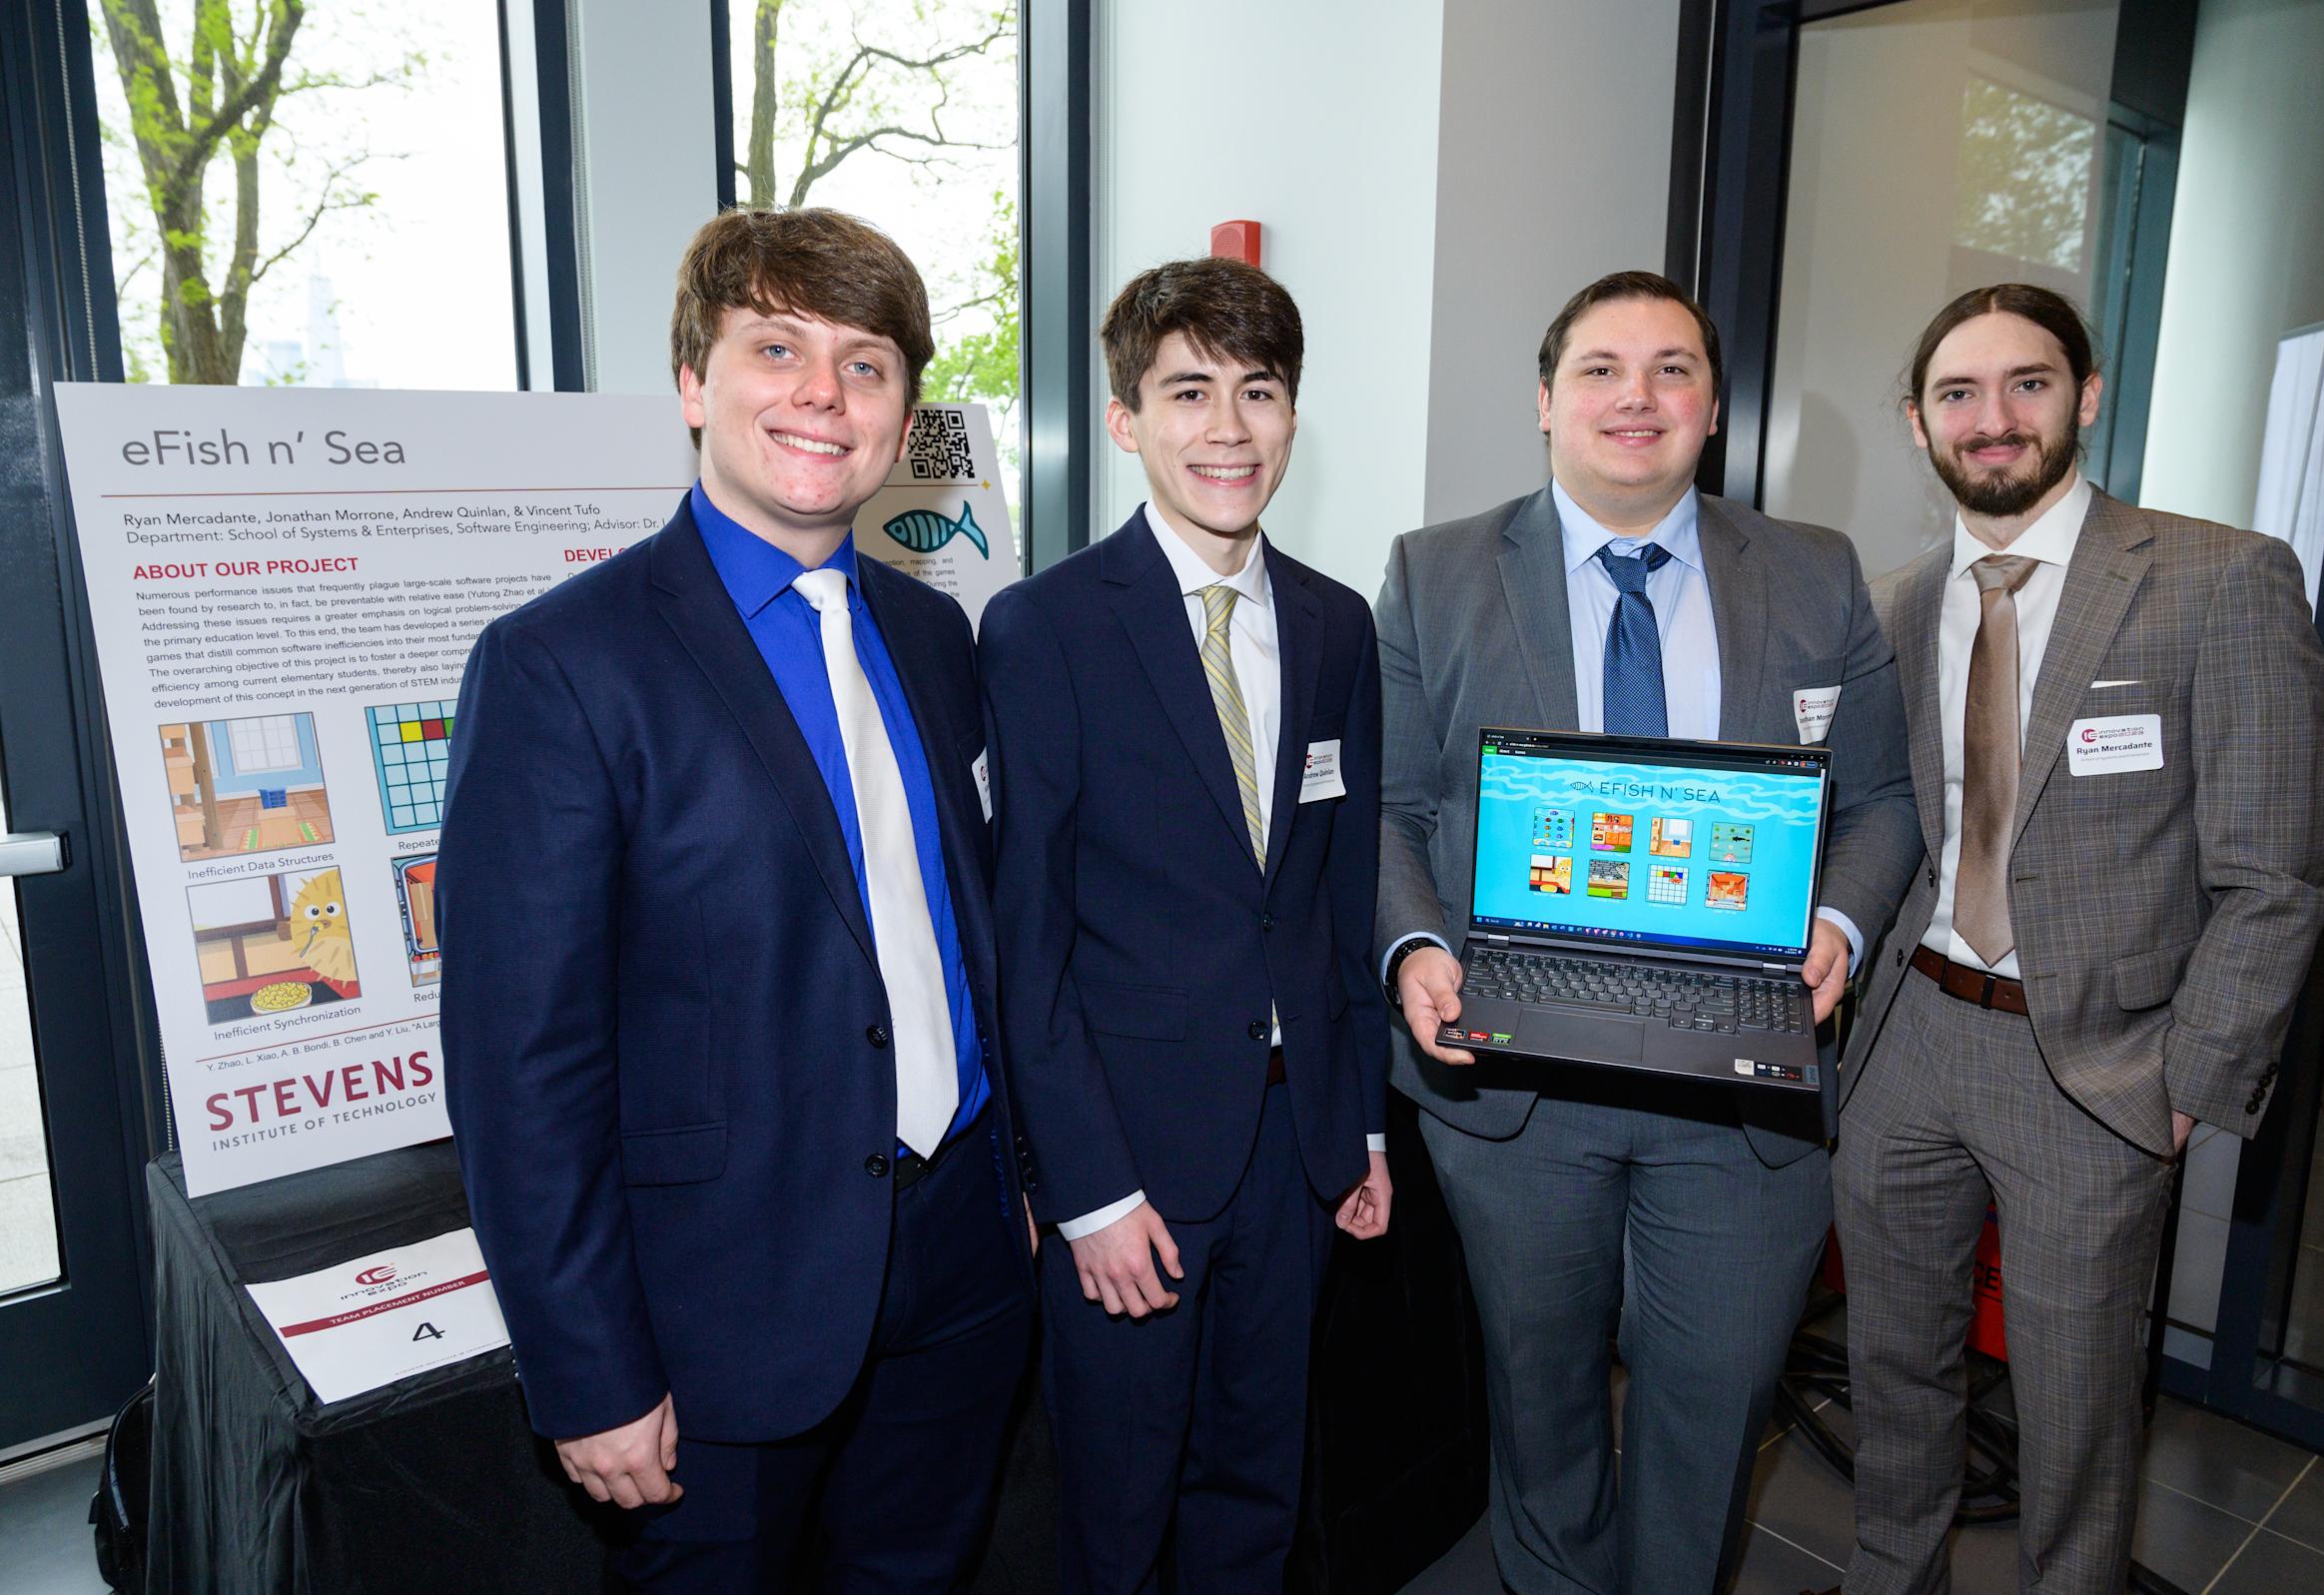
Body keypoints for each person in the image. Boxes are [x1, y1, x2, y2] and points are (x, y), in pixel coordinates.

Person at [438, 208, 1034, 1592]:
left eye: (868, 362)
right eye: (778, 347)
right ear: (696, 383)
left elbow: (961, 928)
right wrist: (586, 1365)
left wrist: (1015, 1182)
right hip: (718, 1317)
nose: (825, 393)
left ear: (902, 412)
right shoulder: (561, 668)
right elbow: (523, 1066)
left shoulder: (938, 637)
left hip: (958, 1274)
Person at [1377, 270, 1918, 1594]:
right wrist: (1413, 946)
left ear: (1713, 407)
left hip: (1739, 1081)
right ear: (1545, 403)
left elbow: (1888, 796)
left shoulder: (1815, 570)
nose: (1638, 396)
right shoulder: (1435, 570)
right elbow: (1387, 805)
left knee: (1715, 1402)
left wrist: (1840, 917)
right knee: (1539, 1400)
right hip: (1515, 1071)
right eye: (1603, 368)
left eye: (1672, 368)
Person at [1818, 284, 2324, 1595]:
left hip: (2096, 1070)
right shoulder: (1892, 602)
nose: (1993, 420)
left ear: (2086, 396)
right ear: (1920, 421)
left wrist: (2187, 1085)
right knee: (1893, 1366)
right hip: (1907, 1042)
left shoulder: (2220, 580)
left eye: (2026, 384)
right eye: (1958, 394)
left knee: (2076, 1406)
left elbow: (2275, 874)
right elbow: (1880, 826)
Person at [979, 257, 1391, 1595]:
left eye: (1258, 392)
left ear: (1291, 414)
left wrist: (1363, 1119)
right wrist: (1082, 1186)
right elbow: (1025, 940)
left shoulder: (1337, 625)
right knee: (1115, 1497)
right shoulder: (1042, 628)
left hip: (1295, 1146)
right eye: (1190, 391)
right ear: (1124, 419)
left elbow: (1336, 892)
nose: (1228, 428)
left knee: (1255, 1479)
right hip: (1130, 1157)